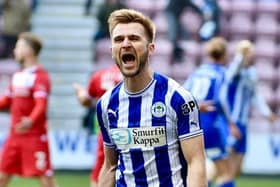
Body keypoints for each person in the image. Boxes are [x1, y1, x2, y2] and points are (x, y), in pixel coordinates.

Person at [96, 9, 207, 187]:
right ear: (112, 51)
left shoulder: (178, 98)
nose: (125, 44)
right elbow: (110, 166)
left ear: (151, 48)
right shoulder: (106, 104)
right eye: (118, 39)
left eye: (134, 38)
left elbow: (196, 163)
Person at [0, 32, 57, 187]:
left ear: (29, 50)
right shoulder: (18, 75)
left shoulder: (40, 76)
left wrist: (30, 120)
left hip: (34, 136)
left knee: (46, 180)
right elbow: (6, 100)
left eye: (18, 46)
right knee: (2, 177)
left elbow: (41, 105)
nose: (15, 50)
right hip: (14, 136)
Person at [183, 37, 239, 187]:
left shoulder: (199, 71)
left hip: (192, 124)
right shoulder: (222, 73)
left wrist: (195, 105)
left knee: (199, 168)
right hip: (210, 124)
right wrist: (231, 123)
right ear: (224, 54)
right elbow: (222, 99)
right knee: (226, 172)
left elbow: (183, 91)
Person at [221, 40, 277, 179]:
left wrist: (267, 113)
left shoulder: (252, 73)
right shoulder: (233, 72)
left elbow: (255, 95)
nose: (250, 55)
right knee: (224, 165)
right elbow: (234, 71)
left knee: (237, 169)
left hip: (243, 123)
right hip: (232, 123)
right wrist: (240, 55)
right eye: (248, 52)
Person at [73, 64, 122, 187]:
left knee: (102, 171)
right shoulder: (136, 76)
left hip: (107, 133)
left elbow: (86, 101)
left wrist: (80, 92)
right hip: (132, 131)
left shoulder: (99, 76)